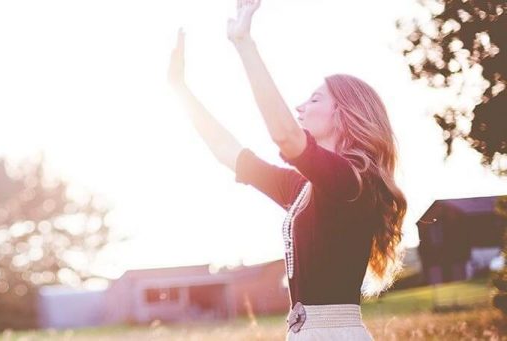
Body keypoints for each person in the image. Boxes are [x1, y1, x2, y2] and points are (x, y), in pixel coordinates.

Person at [167, 0, 407, 339]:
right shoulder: (305, 189)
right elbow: (228, 152)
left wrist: (243, 43)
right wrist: (180, 90)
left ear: (344, 115)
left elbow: (285, 136)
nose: (300, 107)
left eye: (314, 99)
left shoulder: (352, 182)